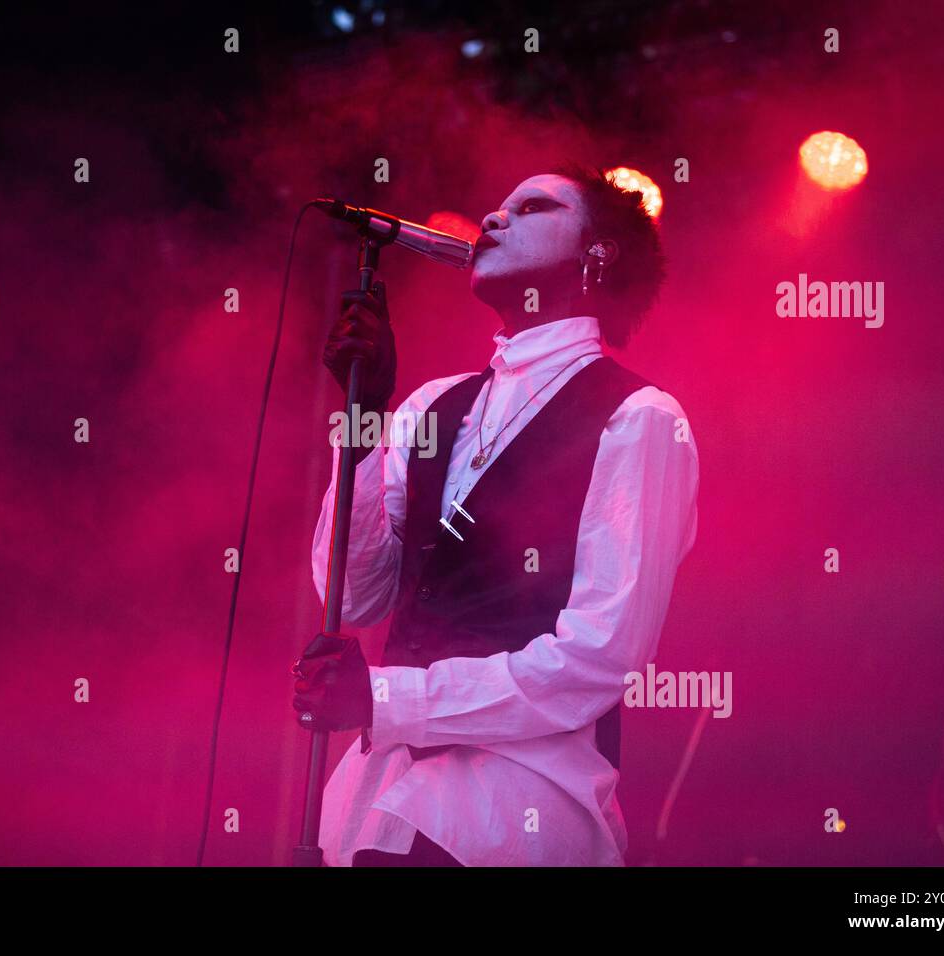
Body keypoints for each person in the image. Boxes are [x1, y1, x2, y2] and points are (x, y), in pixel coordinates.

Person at [292, 162, 700, 866]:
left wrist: (389, 699)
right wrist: (364, 417)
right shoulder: (429, 404)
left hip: (517, 806)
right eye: (496, 206)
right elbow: (354, 596)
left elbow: (597, 659)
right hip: (376, 792)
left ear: (595, 254)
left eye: (533, 207)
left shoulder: (641, 418)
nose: (493, 219)